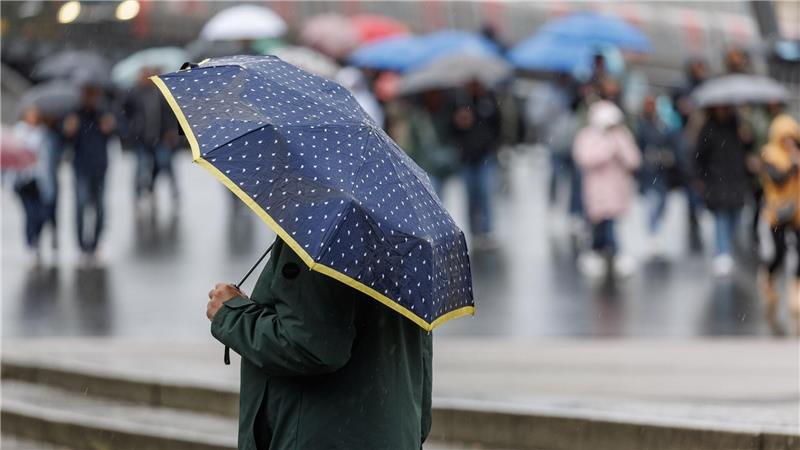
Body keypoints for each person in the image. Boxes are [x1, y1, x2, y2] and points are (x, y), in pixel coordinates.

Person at [206, 237, 432, 449]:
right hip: (393, 432)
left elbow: (310, 345)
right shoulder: (408, 239)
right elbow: (420, 357)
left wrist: (232, 314)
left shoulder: (319, 235)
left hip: (320, 436)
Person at [573, 100, 641, 278]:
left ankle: (614, 254)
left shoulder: (622, 135)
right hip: (596, 192)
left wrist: (621, 148)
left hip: (617, 190)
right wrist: (607, 149)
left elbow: (634, 160)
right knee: (599, 225)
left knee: (611, 223)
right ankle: (599, 253)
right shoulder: (587, 136)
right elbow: (584, 158)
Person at [694, 105, 750, 276]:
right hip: (716, 179)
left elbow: (747, 149)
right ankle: (723, 252)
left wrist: (747, 138)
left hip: (735, 179)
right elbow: (699, 155)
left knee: (735, 216)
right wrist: (700, 178)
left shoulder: (738, 126)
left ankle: (726, 248)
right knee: (721, 216)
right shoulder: (708, 129)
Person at [64, 85, 115, 264]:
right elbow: (66, 140)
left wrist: (109, 128)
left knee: (99, 208)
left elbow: (118, 132)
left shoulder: (104, 112)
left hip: (100, 166)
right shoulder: (74, 113)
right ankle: (82, 246)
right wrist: (69, 130)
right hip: (81, 166)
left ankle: (95, 244)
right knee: (81, 204)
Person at [758, 114, 800, 331]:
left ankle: (795, 291)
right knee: (780, 251)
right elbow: (777, 179)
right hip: (778, 213)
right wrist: (792, 167)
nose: (788, 141)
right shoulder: (770, 154)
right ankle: (768, 278)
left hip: (798, 212)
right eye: (785, 137)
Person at [450, 79, 502, 247]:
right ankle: (474, 230)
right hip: (466, 156)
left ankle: (486, 229)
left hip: (484, 155)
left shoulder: (488, 99)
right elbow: (450, 127)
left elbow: (497, 124)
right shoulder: (459, 100)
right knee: (471, 194)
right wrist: (458, 122)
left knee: (485, 191)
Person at [123, 68, 180, 211]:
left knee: (163, 163)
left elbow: (169, 113)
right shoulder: (134, 93)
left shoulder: (161, 92)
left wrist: (170, 130)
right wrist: (130, 130)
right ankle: (139, 194)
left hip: (159, 138)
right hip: (141, 139)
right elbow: (124, 113)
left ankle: (158, 189)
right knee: (141, 168)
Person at [635, 95, 684, 257]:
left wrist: (668, 157)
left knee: (662, 202)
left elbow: (673, 144)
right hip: (648, 173)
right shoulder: (640, 126)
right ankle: (652, 231)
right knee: (651, 202)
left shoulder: (663, 125)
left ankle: (656, 228)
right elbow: (638, 147)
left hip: (662, 173)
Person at [402, 89, 458, 198]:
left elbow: (451, 138)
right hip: (425, 168)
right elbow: (411, 144)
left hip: (442, 168)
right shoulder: (418, 116)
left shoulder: (446, 114)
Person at [12, 106, 50, 264]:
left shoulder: (43, 132)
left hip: (39, 180)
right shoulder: (19, 131)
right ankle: (30, 245)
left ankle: (36, 241)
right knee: (30, 214)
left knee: (42, 214)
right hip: (22, 181)